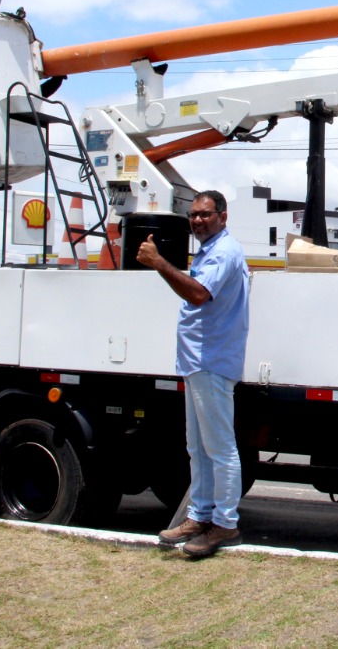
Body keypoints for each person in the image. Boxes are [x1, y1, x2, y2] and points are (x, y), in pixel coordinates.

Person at [139, 190, 251, 558]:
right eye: (193, 215)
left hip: (211, 360)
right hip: (197, 360)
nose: (198, 220)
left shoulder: (223, 252)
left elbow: (199, 294)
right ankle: (200, 516)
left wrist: (158, 263)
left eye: (205, 214)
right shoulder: (210, 250)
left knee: (219, 449)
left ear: (223, 216)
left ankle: (225, 524)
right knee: (198, 448)